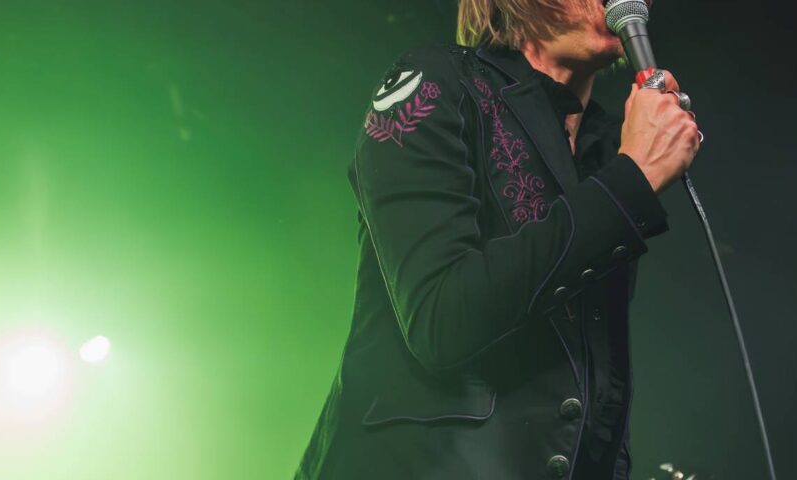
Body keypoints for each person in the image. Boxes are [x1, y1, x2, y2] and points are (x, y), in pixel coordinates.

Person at [296, 0, 700, 478]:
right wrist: (631, 182)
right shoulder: (434, 82)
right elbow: (440, 316)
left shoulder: (609, 146)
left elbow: (594, 381)